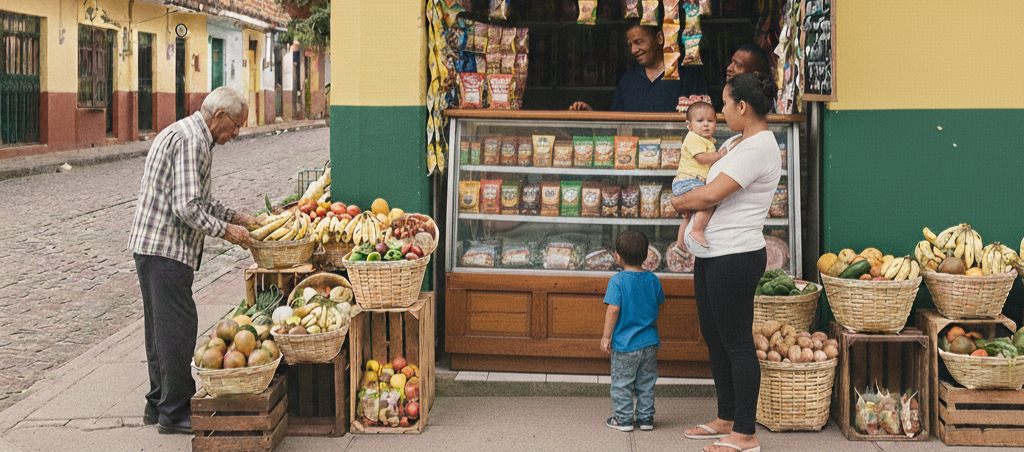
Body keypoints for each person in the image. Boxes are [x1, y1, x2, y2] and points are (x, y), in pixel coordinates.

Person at [127, 86, 257, 434]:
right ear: (219, 116)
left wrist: (238, 218)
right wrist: (227, 231)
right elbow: (187, 207)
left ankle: (157, 403)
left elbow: (200, 199)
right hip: (165, 249)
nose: (237, 133)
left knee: (159, 330)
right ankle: (175, 411)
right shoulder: (192, 141)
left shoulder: (190, 134)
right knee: (178, 330)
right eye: (236, 125)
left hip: (153, 248)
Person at [671, 72, 781, 452]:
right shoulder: (736, 142)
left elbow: (709, 195)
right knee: (715, 338)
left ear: (743, 106)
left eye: (725, 104)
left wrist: (677, 201)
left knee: (736, 342)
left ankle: (746, 433)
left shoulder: (759, 148)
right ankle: (726, 416)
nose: (721, 112)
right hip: (712, 253)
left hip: (735, 255)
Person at [600, 230, 665, 432]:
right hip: (650, 343)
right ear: (646, 256)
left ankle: (623, 419)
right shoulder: (653, 279)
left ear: (617, 256)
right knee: (646, 383)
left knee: (622, 383)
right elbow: (659, 305)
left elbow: (613, 310)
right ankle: (646, 419)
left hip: (625, 345)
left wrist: (606, 336)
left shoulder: (617, 281)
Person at [570, 24, 707, 112]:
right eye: (630, 45)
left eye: (639, 42)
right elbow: (616, 123)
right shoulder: (629, 79)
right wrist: (592, 117)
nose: (634, 50)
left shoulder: (687, 72)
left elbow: (704, 118)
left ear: (659, 38)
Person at [673, 101, 728, 249]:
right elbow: (701, 158)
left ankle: (680, 245)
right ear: (689, 125)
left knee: (689, 217)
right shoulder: (693, 138)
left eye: (710, 120)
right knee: (708, 204)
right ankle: (697, 231)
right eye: (700, 121)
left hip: (690, 182)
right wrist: (719, 156)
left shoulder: (705, 140)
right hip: (689, 181)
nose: (706, 124)